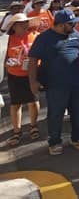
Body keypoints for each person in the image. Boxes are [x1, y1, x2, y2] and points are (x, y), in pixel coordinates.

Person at [28, 9, 79, 155]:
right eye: (71, 24)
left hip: (76, 81)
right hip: (55, 84)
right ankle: (55, 141)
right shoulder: (44, 38)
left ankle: (77, 136)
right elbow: (33, 60)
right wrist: (33, 82)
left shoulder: (75, 34)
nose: (75, 26)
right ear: (62, 25)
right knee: (56, 113)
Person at [4, 14, 40, 146]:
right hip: (14, 75)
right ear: (14, 26)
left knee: (33, 101)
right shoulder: (8, 40)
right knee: (15, 104)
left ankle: (33, 126)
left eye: (26, 22)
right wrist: (8, 63)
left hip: (31, 74)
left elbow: (40, 54)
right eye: (21, 23)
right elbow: (3, 59)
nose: (25, 25)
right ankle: (17, 131)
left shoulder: (34, 36)